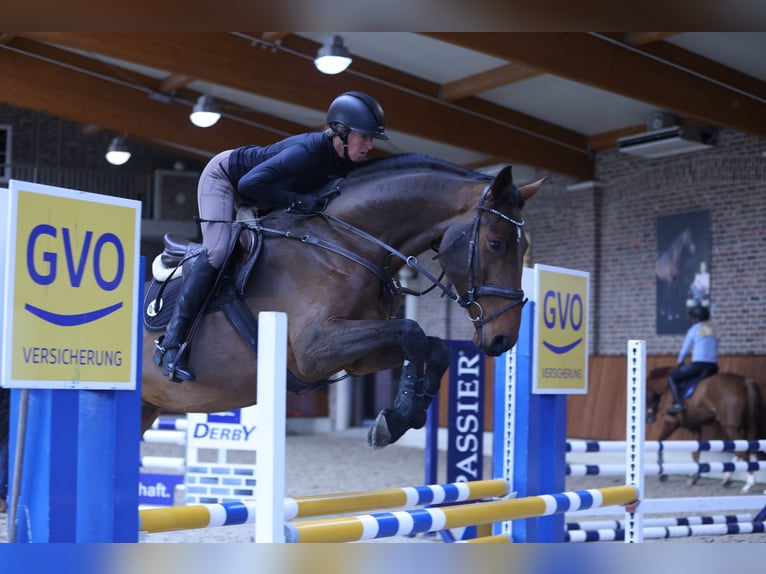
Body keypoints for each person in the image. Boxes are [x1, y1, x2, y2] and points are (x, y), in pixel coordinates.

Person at [153, 91, 389, 382]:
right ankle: (171, 344)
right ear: (341, 131)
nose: (369, 145)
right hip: (227, 179)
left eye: (371, 139)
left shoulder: (342, 161)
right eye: (363, 137)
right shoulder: (308, 151)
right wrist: (301, 202)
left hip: (263, 194)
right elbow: (249, 184)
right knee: (218, 251)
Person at [666, 305, 718, 414]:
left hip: (698, 365)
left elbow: (685, 350)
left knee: (672, 377)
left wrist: (680, 362)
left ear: (696, 318)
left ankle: (678, 403)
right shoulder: (713, 329)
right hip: (713, 366)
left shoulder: (693, 330)